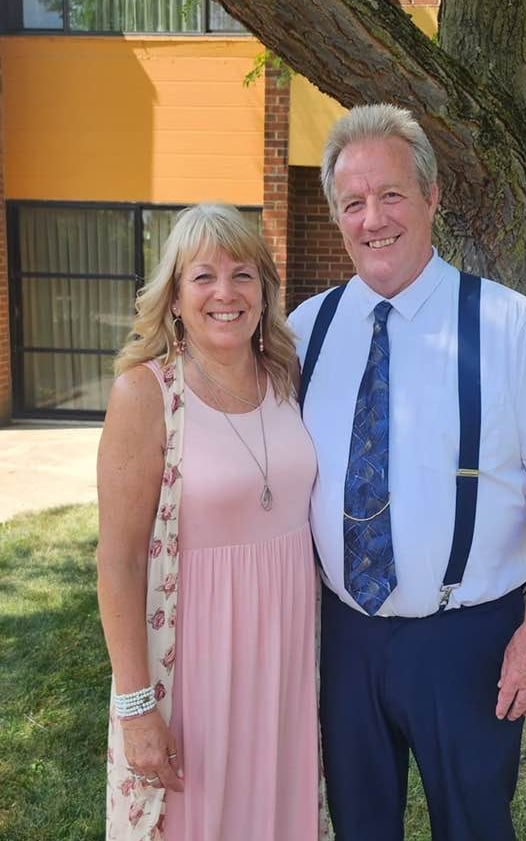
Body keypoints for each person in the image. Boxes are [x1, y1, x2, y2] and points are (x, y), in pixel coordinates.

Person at [288, 104, 526, 841]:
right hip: (346, 636)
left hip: (468, 640)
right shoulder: (305, 331)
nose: (373, 219)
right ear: (337, 215)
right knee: (360, 825)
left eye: (391, 194)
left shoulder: (508, 324)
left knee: (474, 826)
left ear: (432, 197)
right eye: (353, 202)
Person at [97, 203, 318, 841]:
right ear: (173, 298)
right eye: (203, 276)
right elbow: (118, 561)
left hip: (286, 662)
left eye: (242, 274)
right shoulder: (145, 394)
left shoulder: (286, 379)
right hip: (194, 670)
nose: (226, 293)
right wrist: (137, 708)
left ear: (264, 291)